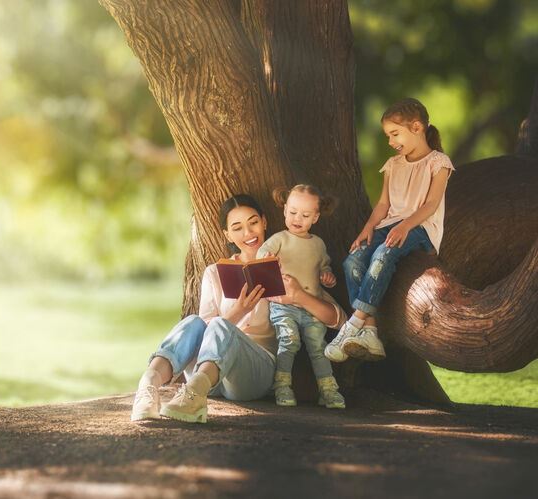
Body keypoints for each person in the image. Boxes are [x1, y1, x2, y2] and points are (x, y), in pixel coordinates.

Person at [131, 194, 345, 423]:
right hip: (206, 377)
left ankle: (193, 396)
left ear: (264, 222)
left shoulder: (289, 269)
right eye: (238, 228)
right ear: (227, 234)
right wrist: (240, 310)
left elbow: (339, 320)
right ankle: (147, 389)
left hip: (252, 374)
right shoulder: (214, 273)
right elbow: (204, 331)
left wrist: (299, 295)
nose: (248, 233)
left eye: (253, 223)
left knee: (220, 325)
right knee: (194, 322)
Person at [325, 97, 454, 363]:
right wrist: (367, 229)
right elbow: (383, 204)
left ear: (417, 127)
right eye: (388, 136)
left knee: (383, 255)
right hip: (390, 224)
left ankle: (351, 325)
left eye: (395, 134)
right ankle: (370, 332)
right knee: (353, 261)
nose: (391, 142)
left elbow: (430, 205)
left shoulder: (439, 162)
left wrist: (406, 226)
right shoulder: (393, 165)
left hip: (420, 227)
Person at [257, 185, 345, 409]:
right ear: (285, 210)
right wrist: (266, 257)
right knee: (289, 340)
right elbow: (262, 254)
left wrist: (327, 276)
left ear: (315, 217)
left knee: (318, 346)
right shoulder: (280, 239)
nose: (298, 218)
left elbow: (324, 266)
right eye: (293, 212)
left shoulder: (318, 244)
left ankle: (328, 390)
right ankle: (282, 386)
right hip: (283, 306)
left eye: (305, 215)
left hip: (310, 305)